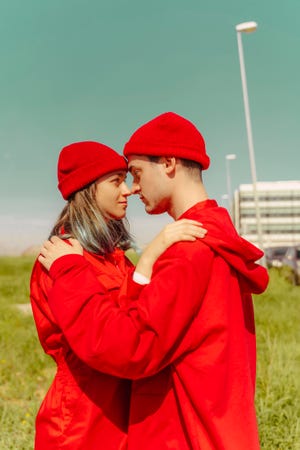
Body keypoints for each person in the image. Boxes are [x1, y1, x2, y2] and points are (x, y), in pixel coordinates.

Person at [38, 113, 269, 450]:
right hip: (214, 425)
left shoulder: (188, 249)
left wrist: (71, 271)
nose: (133, 188)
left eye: (135, 173)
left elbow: (133, 346)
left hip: (183, 432)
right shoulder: (214, 237)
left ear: (169, 164)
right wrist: (146, 261)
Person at [30, 139, 206, 450]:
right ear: (87, 189)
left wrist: (149, 259)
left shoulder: (111, 256)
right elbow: (104, 338)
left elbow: (132, 319)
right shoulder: (60, 258)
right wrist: (152, 252)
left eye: (126, 179)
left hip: (123, 412)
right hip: (82, 422)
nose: (128, 190)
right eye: (116, 181)